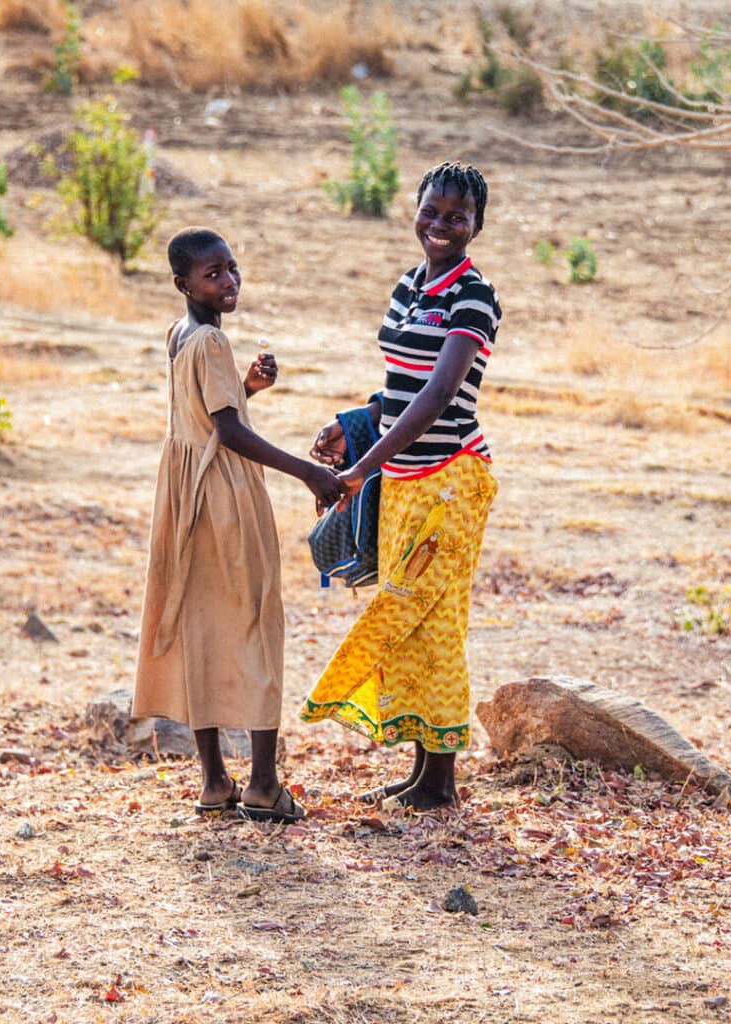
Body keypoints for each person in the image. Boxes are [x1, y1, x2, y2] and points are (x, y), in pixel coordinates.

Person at [301, 162, 501, 811]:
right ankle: (422, 772)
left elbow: (441, 395)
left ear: (476, 225)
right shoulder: (409, 287)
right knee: (410, 619)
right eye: (432, 211)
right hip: (407, 476)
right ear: (415, 209)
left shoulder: (474, 296)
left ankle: (442, 781)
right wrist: (353, 424)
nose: (441, 225)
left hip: (450, 479)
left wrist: (363, 466)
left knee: (434, 619)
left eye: (457, 217)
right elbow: (403, 385)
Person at [134, 227, 343, 822]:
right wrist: (307, 472)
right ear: (183, 284)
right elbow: (226, 433)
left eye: (231, 269)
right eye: (212, 274)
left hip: (183, 497)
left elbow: (205, 414)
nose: (228, 282)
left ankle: (213, 783)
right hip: (225, 495)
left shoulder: (181, 334)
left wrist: (247, 388)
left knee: (201, 626)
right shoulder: (212, 345)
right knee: (254, 624)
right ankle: (263, 785)